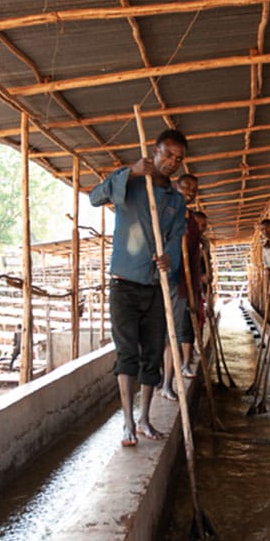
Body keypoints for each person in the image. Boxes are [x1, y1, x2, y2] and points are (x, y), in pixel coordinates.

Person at [90, 128, 188, 447]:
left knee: (152, 354)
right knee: (127, 353)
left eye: (178, 158)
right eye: (167, 154)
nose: (172, 162)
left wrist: (168, 259)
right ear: (154, 151)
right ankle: (127, 422)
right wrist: (129, 172)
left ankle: (145, 417)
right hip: (124, 283)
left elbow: (175, 240)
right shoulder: (131, 183)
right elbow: (95, 197)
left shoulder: (176, 201)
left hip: (155, 285)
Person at [160, 173, 205, 401]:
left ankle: (167, 383)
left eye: (193, 189)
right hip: (160, 282)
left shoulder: (191, 222)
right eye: (186, 186)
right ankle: (161, 380)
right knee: (159, 336)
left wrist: (194, 292)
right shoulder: (164, 212)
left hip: (180, 286)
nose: (189, 191)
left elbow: (194, 260)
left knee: (173, 336)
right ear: (176, 186)